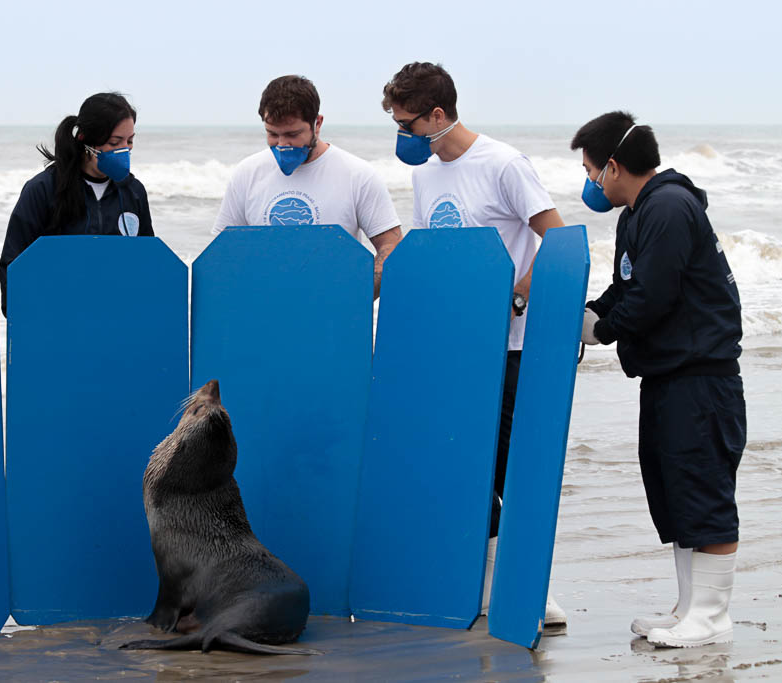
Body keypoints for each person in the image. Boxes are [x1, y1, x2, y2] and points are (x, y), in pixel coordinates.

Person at [381, 61, 567, 629]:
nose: (402, 139)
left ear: (438, 116)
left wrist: (516, 298)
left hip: (508, 347)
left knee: (512, 469)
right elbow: (431, 255)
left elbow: (555, 236)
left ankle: (535, 588)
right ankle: (485, 585)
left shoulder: (504, 164)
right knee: (467, 466)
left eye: (408, 125)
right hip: (451, 347)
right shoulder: (425, 175)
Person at [573, 111, 745, 648]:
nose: (590, 183)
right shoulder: (639, 212)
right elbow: (626, 286)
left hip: (700, 378)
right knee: (674, 493)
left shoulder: (668, 207)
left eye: (590, 170)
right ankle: (690, 609)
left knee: (702, 491)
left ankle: (713, 616)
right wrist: (585, 312)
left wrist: (603, 332)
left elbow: (654, 297)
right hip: (669, 376)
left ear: (615, 167)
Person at [212, 75, 401, 298]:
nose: (282, 144)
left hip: (335, 315)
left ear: (317, 124)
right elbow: (222, 251)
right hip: (265, 308)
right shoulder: (247, 173)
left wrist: (356, 296)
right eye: (273, 134)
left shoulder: (357, 175)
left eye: (293, 134)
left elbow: (391, 246)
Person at [0, 92, 153, 315]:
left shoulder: (133, 192)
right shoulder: (43, 189)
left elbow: (147, 261)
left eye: (130, 141)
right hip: (57, 317)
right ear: (85, 141)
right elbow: (13, 264)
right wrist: (25, 320)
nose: (125, 149)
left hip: (116, 316)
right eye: (114, 142)